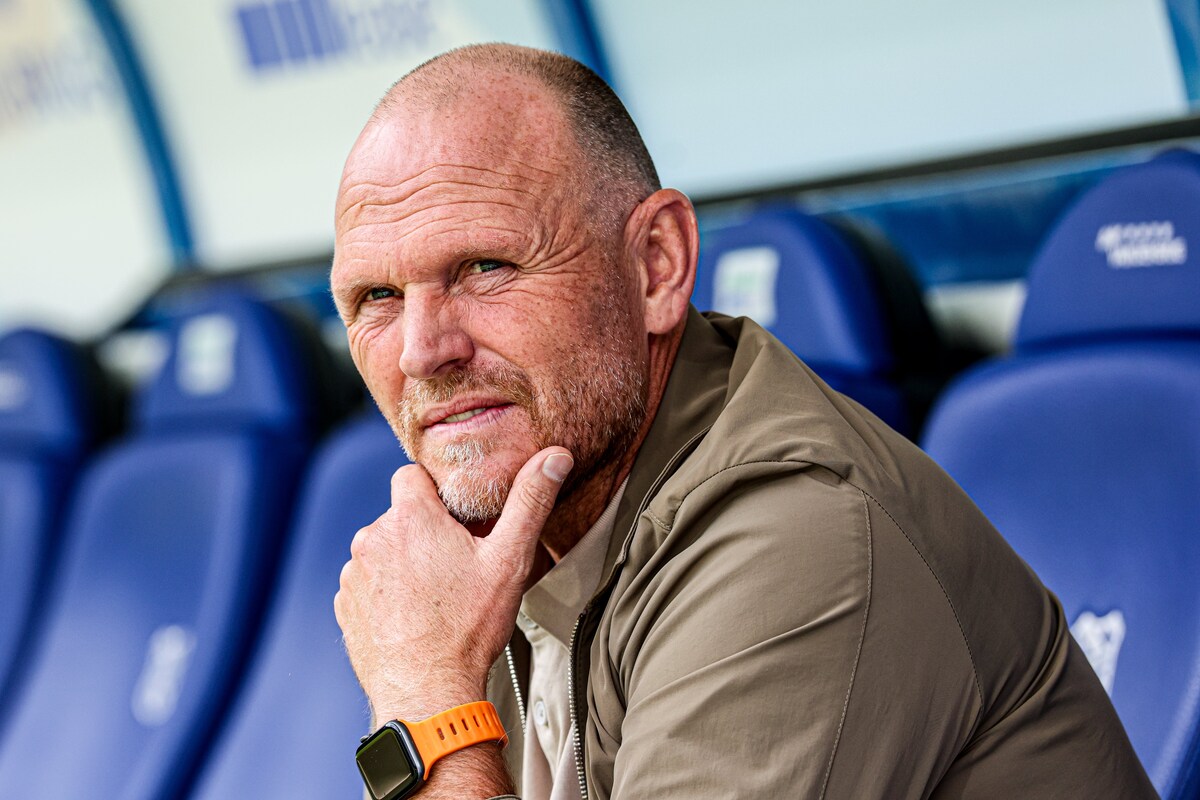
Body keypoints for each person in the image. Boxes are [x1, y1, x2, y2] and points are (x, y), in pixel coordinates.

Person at [331, 43, 1156, 800]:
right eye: (377, 297)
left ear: (657, 266)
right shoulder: (485, 534)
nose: (422, 352)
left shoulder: (797, 534)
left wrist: (428, 700)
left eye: (485, 267)